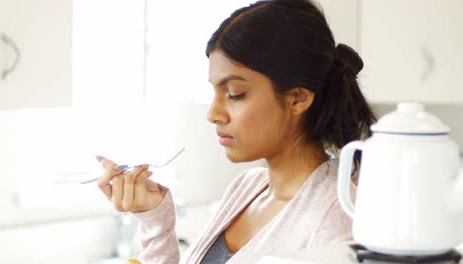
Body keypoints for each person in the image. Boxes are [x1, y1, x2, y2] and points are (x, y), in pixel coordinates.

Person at [96, 0, 376, 263]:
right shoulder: (247, 187)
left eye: (235, 93)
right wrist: (155, 219)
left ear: (298, 98)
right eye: (215, 91)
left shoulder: (334, 219)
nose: (213, 114)